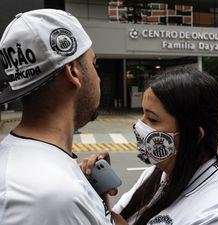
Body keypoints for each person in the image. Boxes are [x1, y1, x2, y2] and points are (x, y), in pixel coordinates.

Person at [0, 9, 127, 225]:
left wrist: (95, 202)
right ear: (74, 72)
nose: (98, 77)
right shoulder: (56, 197)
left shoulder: (31, 169)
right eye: (94, 64)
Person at [111, 67, 218, 225]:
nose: (139, 126)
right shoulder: (154, 175)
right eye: (142, 114)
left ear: (194, 135)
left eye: (152, 119)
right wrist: (98, 198)